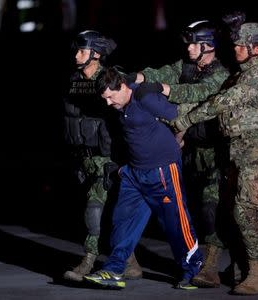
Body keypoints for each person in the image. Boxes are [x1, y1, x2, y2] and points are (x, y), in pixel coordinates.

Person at [171, 20, 258, 295]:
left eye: (240, 44)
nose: (234, 47)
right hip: (240, 149)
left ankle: (257, 273)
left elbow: (223, 102)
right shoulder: (241, 75)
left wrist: (186, 120)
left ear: (256, 48)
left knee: (245, 210)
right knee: (239, 209)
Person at [127, 20, 230, 288]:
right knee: (187, 209)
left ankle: (209, 267)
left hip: (212, 153)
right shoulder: (184, 66)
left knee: (211, 210)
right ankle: (191, 261)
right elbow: (161, 73)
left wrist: (164, 90)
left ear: (209, 45)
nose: (189, 48)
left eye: (195, 43)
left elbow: (198, 91)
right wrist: (135, 78)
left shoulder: (221, 74)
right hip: (185, 151)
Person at [83, 67, 203, 290]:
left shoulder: (144, 97)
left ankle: (192, 270)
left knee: (176, 223)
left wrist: (178, 140)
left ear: (123, 87)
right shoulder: (121, 102)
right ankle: (114, 268)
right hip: (135, 173)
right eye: (104, 99)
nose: (108, 103)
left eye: (110, 97)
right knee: (122, 222)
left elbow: (181, 116)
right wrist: (123, 169)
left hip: (162, 171)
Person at [62, 30, 142, 283]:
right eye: (76, 50)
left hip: (107, 159)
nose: (77, 56)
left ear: (97, 54)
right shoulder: (75, 79)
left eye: (83, 51)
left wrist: (119, 160)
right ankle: (129, 262)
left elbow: (129, 118)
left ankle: (88, 260)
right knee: (102, 213)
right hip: (83, 157)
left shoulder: (110, 79)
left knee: (94, 211)